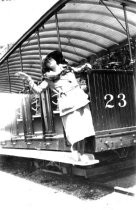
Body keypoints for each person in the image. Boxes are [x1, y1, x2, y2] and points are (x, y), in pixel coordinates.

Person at [15, 50, 95, 162]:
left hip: (80, 100)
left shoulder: (68, 69)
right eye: (46, 62)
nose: (49, 62)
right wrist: (29, 79)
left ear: (55, 60)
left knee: (86, 128)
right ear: (46, 66)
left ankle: (85, 153)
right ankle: (77, 153)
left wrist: (88, 65)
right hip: (68, 104)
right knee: (75, 131)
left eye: (50, 59)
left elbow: (81, 69)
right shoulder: (48, 78)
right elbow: (38, 90)